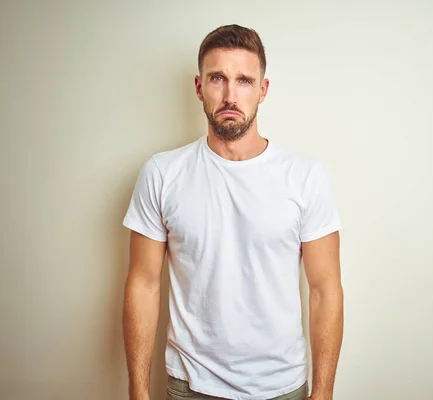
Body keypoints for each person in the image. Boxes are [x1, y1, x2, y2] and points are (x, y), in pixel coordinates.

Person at [122, 24, 343, 400]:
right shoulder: (162, 173)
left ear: (263, 89)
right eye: (217, 79)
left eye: (243, 80)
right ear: (198, 87)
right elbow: (144, 284)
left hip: (281, 386)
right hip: (190, 384)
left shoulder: (304, 175)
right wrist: (138, 392)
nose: (229, 95)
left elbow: (325, 290)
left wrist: (322, 395)